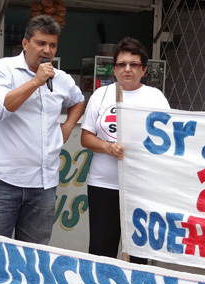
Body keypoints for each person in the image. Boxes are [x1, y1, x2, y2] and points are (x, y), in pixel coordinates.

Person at [0, 15, 85, 245]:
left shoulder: (60, 78)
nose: (47, 50)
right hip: (5, 182)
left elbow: (78, 101)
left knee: (33, 261)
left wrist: (67, 128)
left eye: (52, 45)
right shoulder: (4, 69)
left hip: (44, 184)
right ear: (25, 43)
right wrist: (35, 82)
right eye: (40, 43)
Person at [80, 37, 170, 262]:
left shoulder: (155, 98)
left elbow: (168, 141)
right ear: (114, 68)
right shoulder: (101, 95)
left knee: (139, 253)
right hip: (103, 184)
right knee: (102, 250)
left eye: (134, 64)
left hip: (141, 186)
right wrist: (106, 147)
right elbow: (86, 137)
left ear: (144, 69)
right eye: (121, 64)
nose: (127, 69)